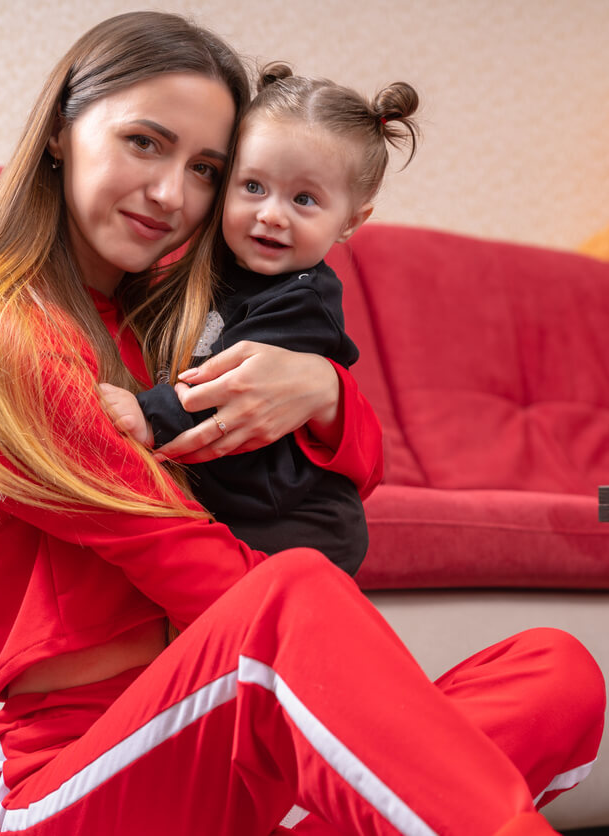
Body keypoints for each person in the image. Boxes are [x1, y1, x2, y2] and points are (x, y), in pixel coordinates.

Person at [0, 11, 604, 836]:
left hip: (230, 762)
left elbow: (358, 468)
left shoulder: (179, 318)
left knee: (553, 673)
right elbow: (184, 561)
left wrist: (324, 392)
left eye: (205, 168)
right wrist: (362, 694)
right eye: (144, 142)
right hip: (79, 782)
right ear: (62, 129)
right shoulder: (5, 333)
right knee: (294, 592)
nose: (171, 193)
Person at [100, 62, 419, 576]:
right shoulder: (204, 265)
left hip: (292, 520)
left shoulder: (304, 300)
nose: (271, 214)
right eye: (253, 186)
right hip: (232, 497)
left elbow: (235, 385)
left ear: (350, 222)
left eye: (304, 199)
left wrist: (146, 414)